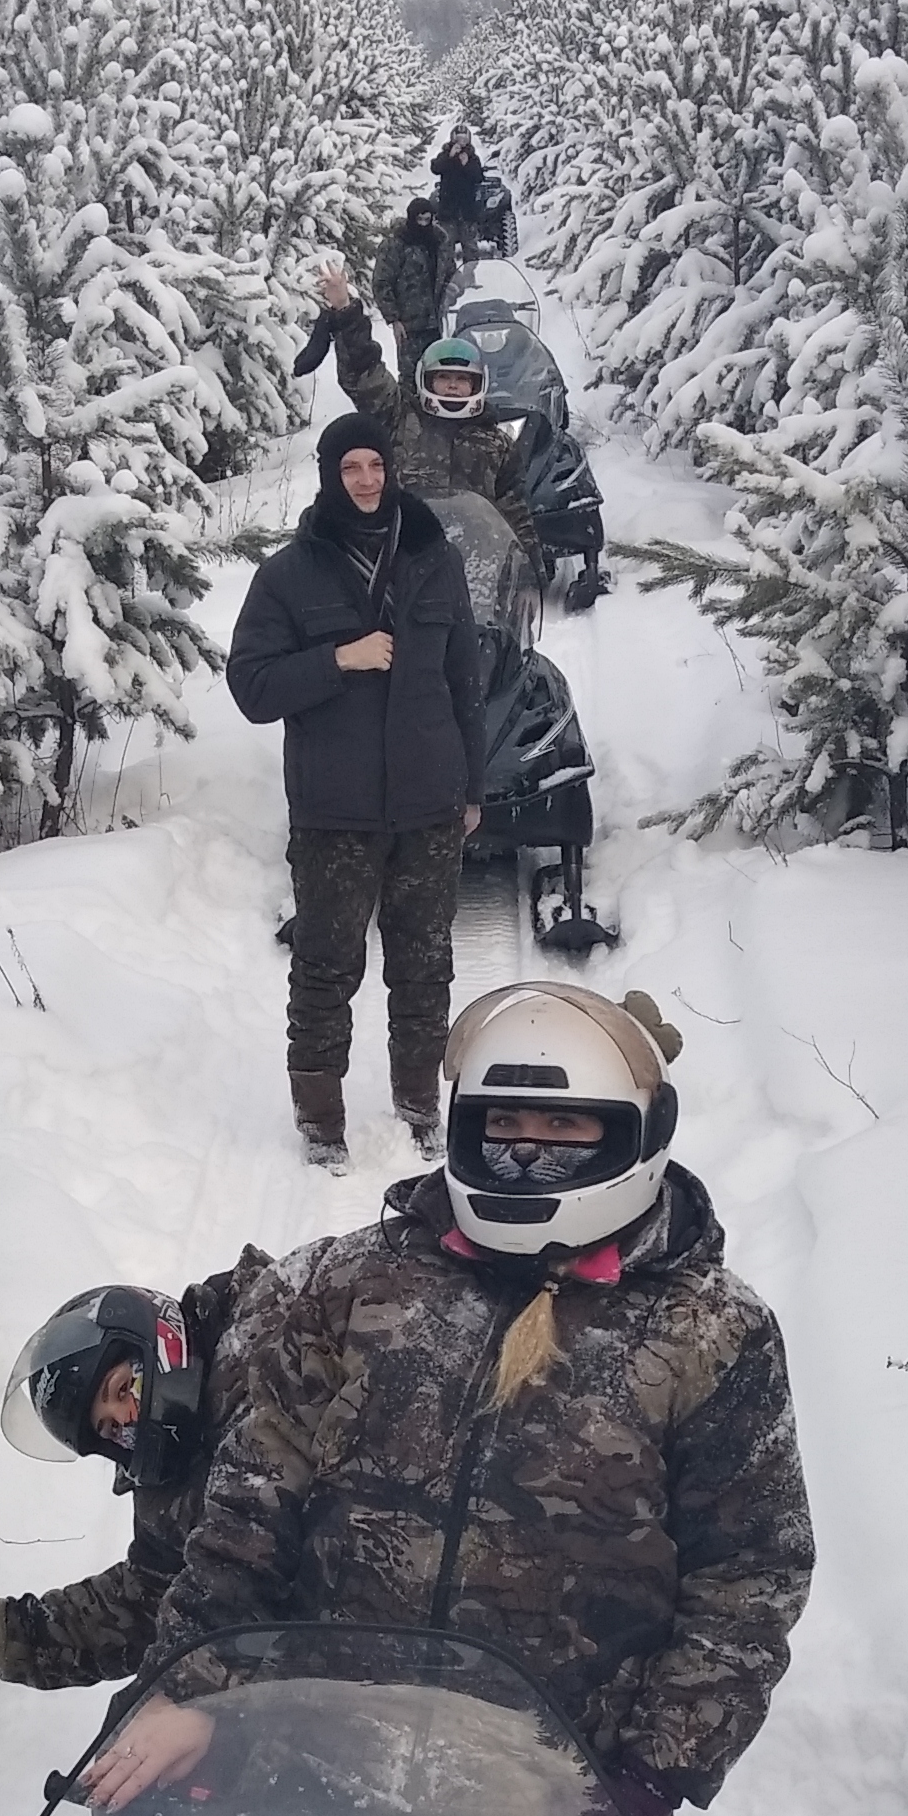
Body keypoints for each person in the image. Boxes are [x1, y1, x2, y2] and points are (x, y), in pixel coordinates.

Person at [91, 984, 813, 1816]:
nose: (528, 1159)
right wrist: (199, 1684)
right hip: (318, 1755)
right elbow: (249, 1502)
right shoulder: (342, 1286)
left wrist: (647, 1778)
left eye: (565, 1132)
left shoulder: (712, 1336)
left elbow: (751, 1578)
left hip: (561, 1794)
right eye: (503, 1132)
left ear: (635, 1140)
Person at [226, 411, 485, 1165]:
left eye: (374, 466)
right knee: (325, 963)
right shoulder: (289, 574)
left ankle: (419, 1103)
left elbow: (464, 678)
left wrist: (473, 786)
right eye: (350, 470)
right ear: (330, 478)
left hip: (429, 803)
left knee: (424, 961)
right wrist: (340, 658)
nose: (366, 481)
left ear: (390, 469)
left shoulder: (436, 558)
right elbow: (251, 686)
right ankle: (320, 1117)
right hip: (334, 811)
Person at [0, 1265, 294, 1697]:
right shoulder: (171, 1480)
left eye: (124, 1388)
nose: (128, 1420)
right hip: (318, 1697)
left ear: (157, 1343)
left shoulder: (278, 1333)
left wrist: (170, 1699)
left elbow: (243, 1553)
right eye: (110, 1430)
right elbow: (142, 1603)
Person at [311, 260, 541, 568]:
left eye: (462, 380)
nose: (453, 388)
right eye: (444, 378)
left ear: (478, 383)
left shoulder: (496, 443)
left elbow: (515, 512)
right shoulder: (399, 417)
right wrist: (344, 309)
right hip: (403, 558)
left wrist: (531, 572)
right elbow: (363, 369)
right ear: (427, 380)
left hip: (475, 566)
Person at [370, 193, 459, 377]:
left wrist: (455, 290)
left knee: (440, 373)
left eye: (428, 219)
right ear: (412, 218)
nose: (424, 224)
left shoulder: (440, 241)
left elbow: (451, 272)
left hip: (440, 322)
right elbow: (381, 283)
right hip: (410, 325)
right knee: (411, 377)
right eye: (420, 219)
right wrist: (394, 319)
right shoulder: (396, 245)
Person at [430, 125, 515, 261]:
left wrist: (467, 164)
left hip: (467, 210)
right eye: (458, 138)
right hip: (448, 210)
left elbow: (478, 177)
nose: (461, 142)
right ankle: (446, 279)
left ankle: (469, 279)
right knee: (445, 249)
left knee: (471, 250)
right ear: (452, 138)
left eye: (464, 139)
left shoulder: (472, 157)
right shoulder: (445, 155)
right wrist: (450, 156)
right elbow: (435, 168)